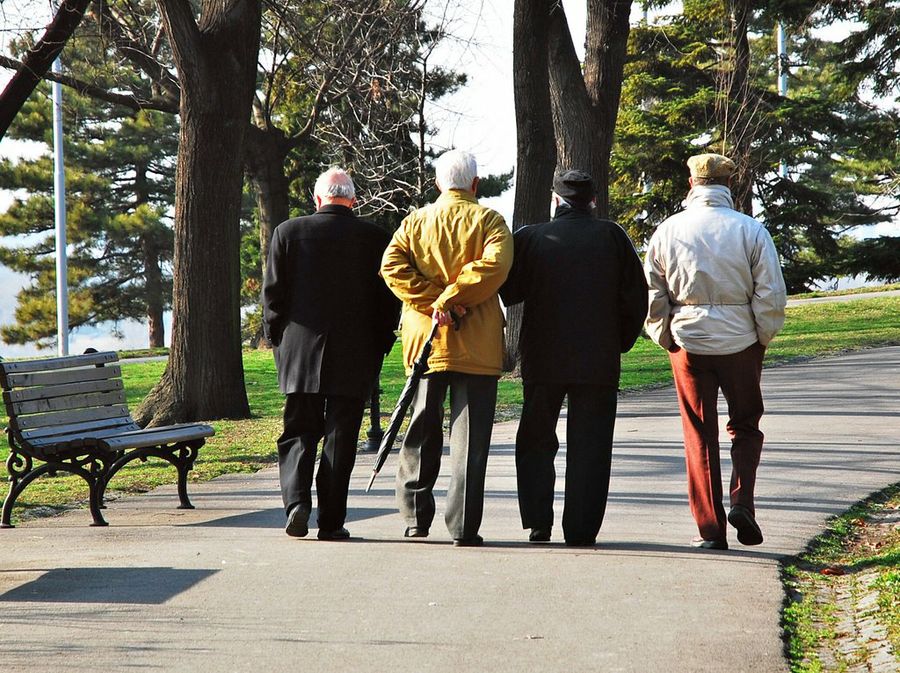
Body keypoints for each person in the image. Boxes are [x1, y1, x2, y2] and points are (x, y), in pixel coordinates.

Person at [643, 153, 786, 550]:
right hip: (741, 340)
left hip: (688, 341)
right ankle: (742, 501)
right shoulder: (751, 230)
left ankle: (711, 529)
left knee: (699, 434)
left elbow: (653, 292)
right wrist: (762, 335)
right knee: (745, 424)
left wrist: (664, 335)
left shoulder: (667, 231)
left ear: (691, 184)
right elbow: (770, 292)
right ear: (728, 186)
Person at [500, 170, 648, 547]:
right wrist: (621, 341)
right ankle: (581, 528)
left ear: (555, 201)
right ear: (593, 201)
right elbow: (636, 297)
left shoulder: (532, 237)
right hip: (597, 359)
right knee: (591, 445)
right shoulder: (613, 237)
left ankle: (537, 520)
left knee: (536, 439)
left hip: (543, 356)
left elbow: (510, 291)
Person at [380, 149, 512, 547]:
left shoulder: (415, 221)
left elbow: (392, 267)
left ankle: (415, 517)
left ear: (438, 183)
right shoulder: (490, 220)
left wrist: (435, 301)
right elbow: (495, 267)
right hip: (478, 343)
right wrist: (452, 298)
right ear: (475, 184)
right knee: (470, 441)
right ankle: (463, 527)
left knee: (420, 429)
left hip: (426, 340)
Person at [262, 167, 399, 541]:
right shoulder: (376, 238)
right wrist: (381, 341)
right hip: (355, 353)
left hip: (299, 351)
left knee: (298, 431)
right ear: (352, 200)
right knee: (342, 437)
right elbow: (388, 300)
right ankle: (332, 520)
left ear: (317, 198)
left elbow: (273, 295)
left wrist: (277, 338)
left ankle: (296, 503)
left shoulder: (287, 233)